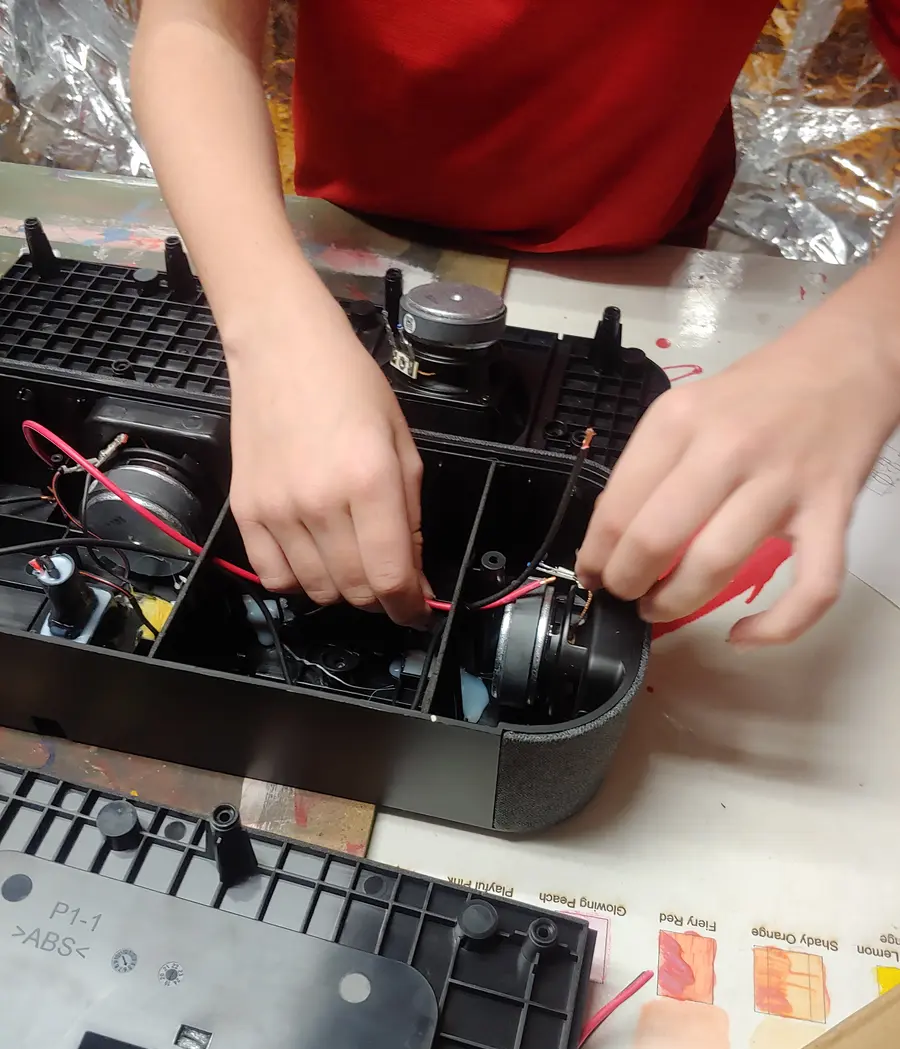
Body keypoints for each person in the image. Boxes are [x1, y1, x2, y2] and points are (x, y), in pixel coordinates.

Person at [131, 1, 900, 645]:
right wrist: (271, 332)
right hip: (344, 239)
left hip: (636, 259)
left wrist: (868, 346)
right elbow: (194, 24)